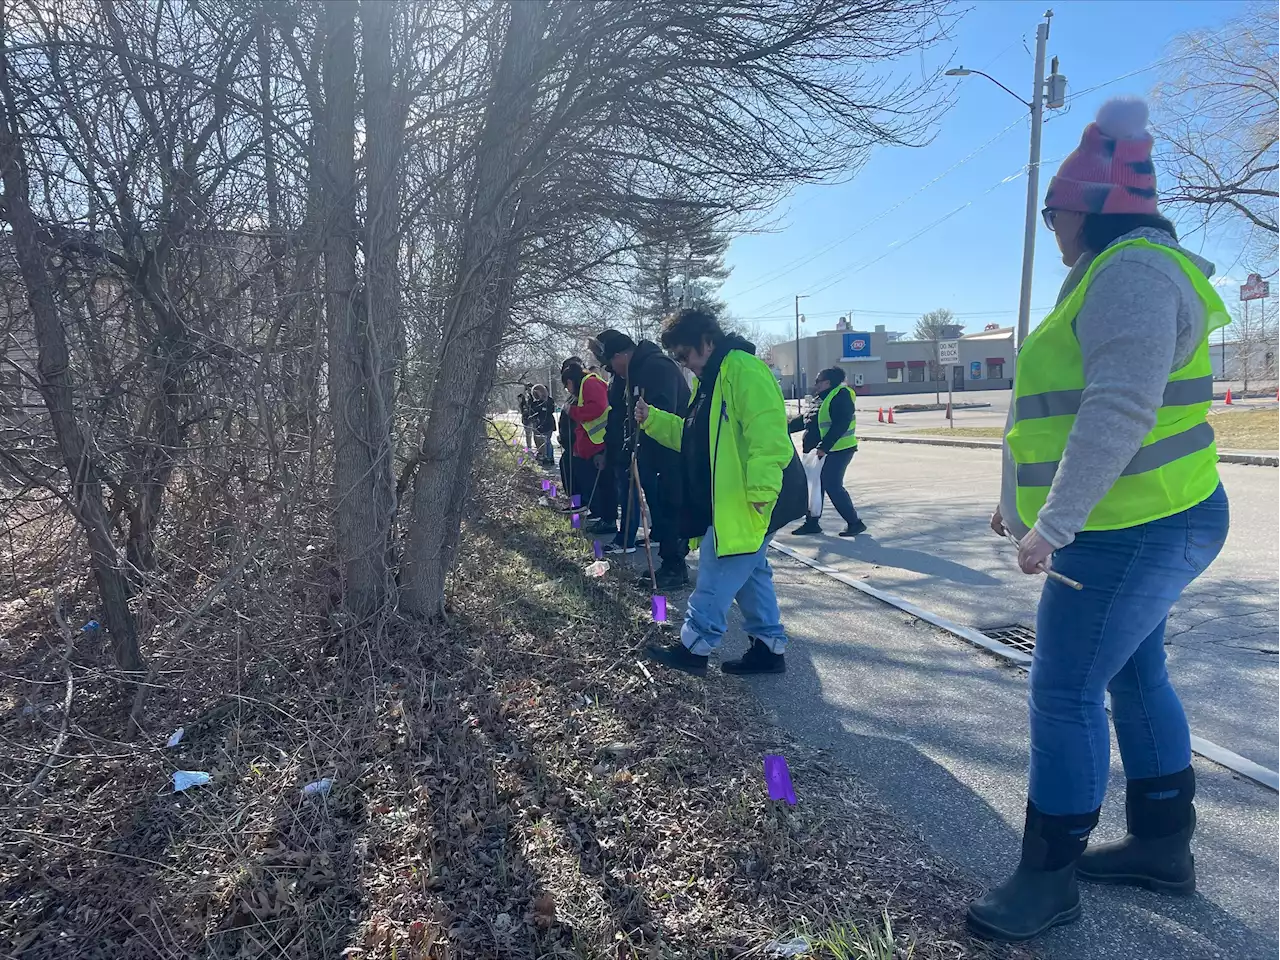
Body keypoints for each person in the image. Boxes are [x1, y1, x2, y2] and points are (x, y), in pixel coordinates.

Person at [967, 97, 1231, 944]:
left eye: (1054, 215)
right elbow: (1055, 410)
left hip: (1134, 527)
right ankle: (1162, 848)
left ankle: (1048, 879)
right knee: (1132, 675)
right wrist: (1020, 506)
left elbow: (1117, 409)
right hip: (1145, 518)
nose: (1052, 232)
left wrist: (1056, 526)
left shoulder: (1131, 274)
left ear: (1085, 209)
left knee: (1063, 688)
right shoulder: (1128, 270)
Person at [635, 308, 803, 677]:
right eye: (678, 358)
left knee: (716, 571)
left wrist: (761, 492)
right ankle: (769, 649)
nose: (684, 364)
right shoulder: (710, 380)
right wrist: (653, 421)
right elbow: (695, 440)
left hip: (749, 499)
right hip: (732, 498)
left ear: (707, 341)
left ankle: (694, 648)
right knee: (752, 575)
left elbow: (769, 436)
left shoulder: (743, 370)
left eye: (685, 354)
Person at [591, 329, 691, 586]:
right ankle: (669, 562)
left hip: (669, 453)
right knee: (659, 510)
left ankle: (675, 566)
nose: (611, 370)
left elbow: (663, 413)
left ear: (622, 354)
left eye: (610, 363)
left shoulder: (657, 368)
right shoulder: (634, 372)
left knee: (669, 509)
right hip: (649, 454)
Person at [788, 366, 866, 537]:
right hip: (818, 451)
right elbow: (808, 419)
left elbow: (842, 423)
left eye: (818, 381)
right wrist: (784, 429)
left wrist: (824, 446)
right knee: (814, 486)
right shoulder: (821, 398)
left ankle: (855, 523)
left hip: (838, 450)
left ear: (827, 382)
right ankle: (812, 523)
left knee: (831, 484)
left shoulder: (840, 395)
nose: (815, 385)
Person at [558, 357, 610, 515]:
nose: (567, 389)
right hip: (587, 442)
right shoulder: (581, 389)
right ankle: (584, 506)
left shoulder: (590, 383)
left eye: (566, 385)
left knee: (589, 477)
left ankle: (595, 509)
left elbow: (596, 409)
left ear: (571, 380)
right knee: (575, 471)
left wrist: (572, 411)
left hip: (599, 441)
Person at [529, 384, 556, 465]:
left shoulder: (549, 400)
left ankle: (550, 457)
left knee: (547, 441)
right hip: (539, 425)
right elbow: (532, 412)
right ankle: (543, 456)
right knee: (540, 441)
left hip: (548, 424)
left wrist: (543, 405)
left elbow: (550, 410)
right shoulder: (535, 403)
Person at [517, 384, 537, 450]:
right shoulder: (523, 398)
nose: (529, 391)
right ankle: (529, 448)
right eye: (528, 389)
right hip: (526, 419)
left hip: (534, 419)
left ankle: (538, 448)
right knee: (528, 435)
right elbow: (522, 408)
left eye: (530, 389)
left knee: (536, 435)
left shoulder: (535, 397)